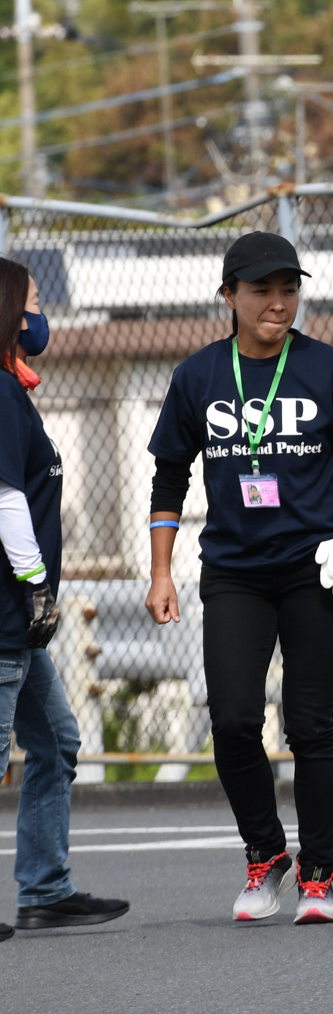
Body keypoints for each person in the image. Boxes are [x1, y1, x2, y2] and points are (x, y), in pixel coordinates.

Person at [145, 232, 333, 925]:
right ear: (229, 295)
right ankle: (266, 855)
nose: (278, 302)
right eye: (262, 290)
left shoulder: (329, 368)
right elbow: (169, 476)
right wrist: (161, 572)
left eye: (289, 289)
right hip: (233, 570)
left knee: (308, 723)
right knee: (234, 720)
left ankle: (318, 876)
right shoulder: (198, 376)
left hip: (314, 566)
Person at [0, 259, 129, 940]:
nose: (40, 314)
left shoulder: (13, 389)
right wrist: (35, 586)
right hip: (7, 613)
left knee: (56, 740)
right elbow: (4, 497)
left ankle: (45, 889)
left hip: (20, 624)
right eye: (33, 301)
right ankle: (44, 887)